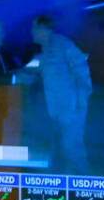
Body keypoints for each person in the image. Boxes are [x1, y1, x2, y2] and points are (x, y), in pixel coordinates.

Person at [30, 15, 92, 173]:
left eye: (35, 29)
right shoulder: (43, 51)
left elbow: (82, 71)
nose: (32, 33)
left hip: (71, 109)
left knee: (73, 149)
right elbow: (36, 72)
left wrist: (80, 102)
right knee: (58, 151)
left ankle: (81, 187)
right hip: (56, 111)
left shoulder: (64, 45)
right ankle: (62, 186)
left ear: (44, 30)